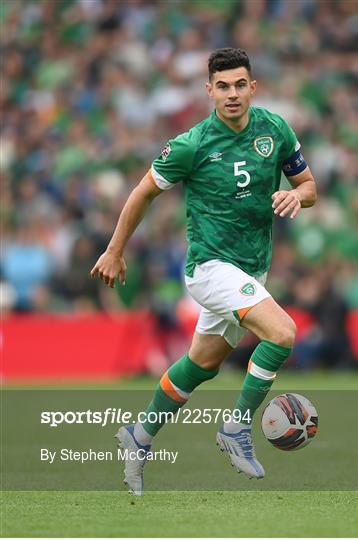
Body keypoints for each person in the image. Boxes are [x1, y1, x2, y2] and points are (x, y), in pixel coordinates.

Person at [90, 48, 317, 495]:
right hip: (210, 268)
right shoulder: (191, 145)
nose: (231, 94)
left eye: (239, 85)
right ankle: (236, 428)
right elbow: (141, 193)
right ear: (208, 90)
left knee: (203, 364)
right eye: (222, 86)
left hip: (253, 267)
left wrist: (298, 197)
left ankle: (139, 435)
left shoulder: (275, 129)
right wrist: (115, 250)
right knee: (283, 333)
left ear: (253, 87)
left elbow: (308, 185)